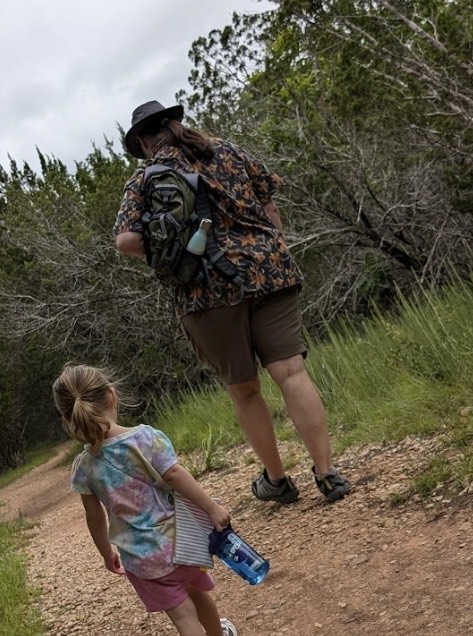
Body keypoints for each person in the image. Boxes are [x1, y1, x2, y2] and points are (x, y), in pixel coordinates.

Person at [114, 100, 350, 506]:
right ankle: (327, 474)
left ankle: (277, 480)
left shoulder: (146, 177)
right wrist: (268, 251)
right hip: (269, 272)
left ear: (144, 141)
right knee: (292, 372)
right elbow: (270, 203)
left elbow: (126, 240)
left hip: (206, 290)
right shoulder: (227, 151)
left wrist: (174, 248)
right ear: (175, 123)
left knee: (245, 390)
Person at [52, 363, 243, 636]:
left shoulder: (84, 467)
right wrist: (212, 509)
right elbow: (175, 476)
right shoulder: (145, 438)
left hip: (143, 560)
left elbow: (94, 516)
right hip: (182, 541)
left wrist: (105, 551)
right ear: (112, 397)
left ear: (69, 418)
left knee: (184, 619)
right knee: (201, 593)